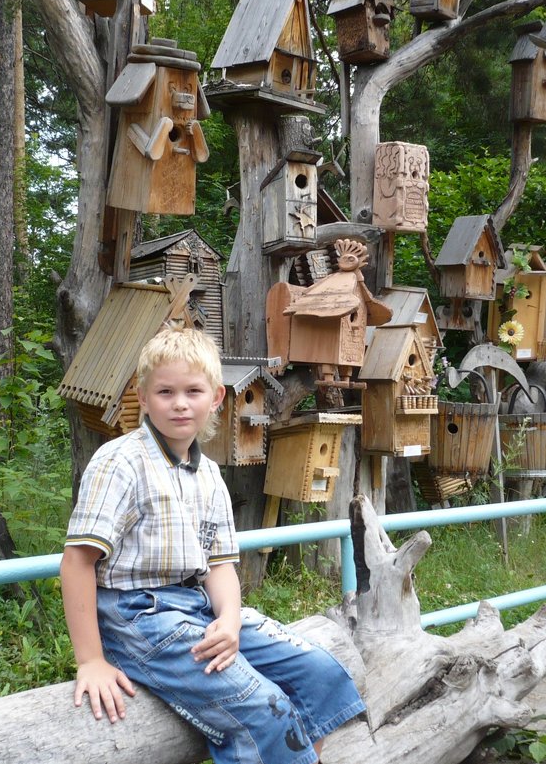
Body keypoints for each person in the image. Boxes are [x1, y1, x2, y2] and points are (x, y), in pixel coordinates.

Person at [60, 325, 366, 764]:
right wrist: (89, 660)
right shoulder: (120, 463)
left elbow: (220, 565)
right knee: (262, 707)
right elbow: (76, 562)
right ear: (143, 397)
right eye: (165, 391)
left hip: (196, 606)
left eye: (193, 391)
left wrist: (228, 620)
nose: (180, 403)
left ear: (217, 397)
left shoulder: (208, 475)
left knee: (318, 673)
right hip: (136, 617)